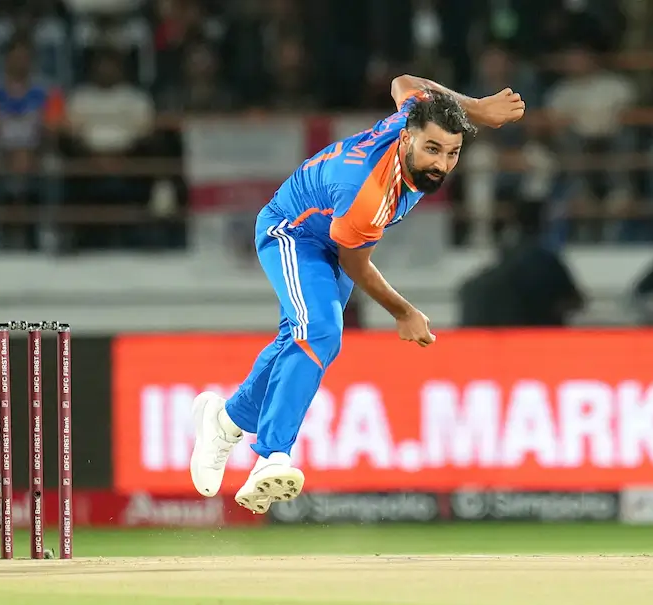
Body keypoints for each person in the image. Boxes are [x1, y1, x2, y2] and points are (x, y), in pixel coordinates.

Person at [190, 74, 525, 513]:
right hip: (292, 232)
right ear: (406, 139)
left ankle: (226, 421)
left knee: (302, 337)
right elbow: (355, 264)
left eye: (452, 152)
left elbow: (404, 81)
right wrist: (403, 311)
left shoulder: (414, 113)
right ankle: (271, 456)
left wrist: (475, 108)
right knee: (321, 332)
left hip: (334, 235)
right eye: (432, 149)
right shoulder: (367, 191)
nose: (442, 165)